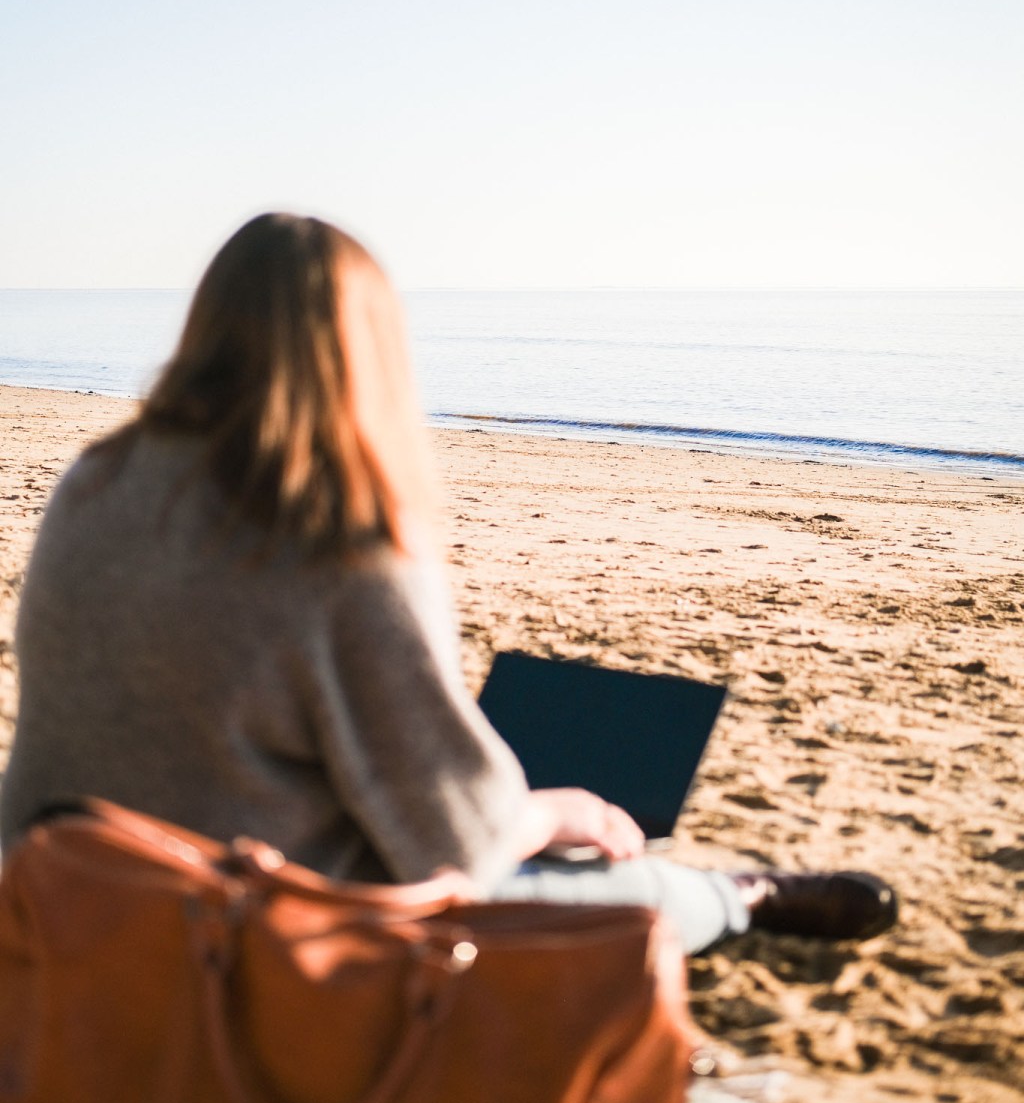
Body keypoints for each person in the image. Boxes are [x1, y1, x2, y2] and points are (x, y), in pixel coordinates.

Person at [0, 213, 897, 954]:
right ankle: (745, 895)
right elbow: (453, 844)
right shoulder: (341, 542)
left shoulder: (95, 484)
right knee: (628, 885)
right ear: (369, 352)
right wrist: (560, 810)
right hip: (263, 944)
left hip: (65, 910)